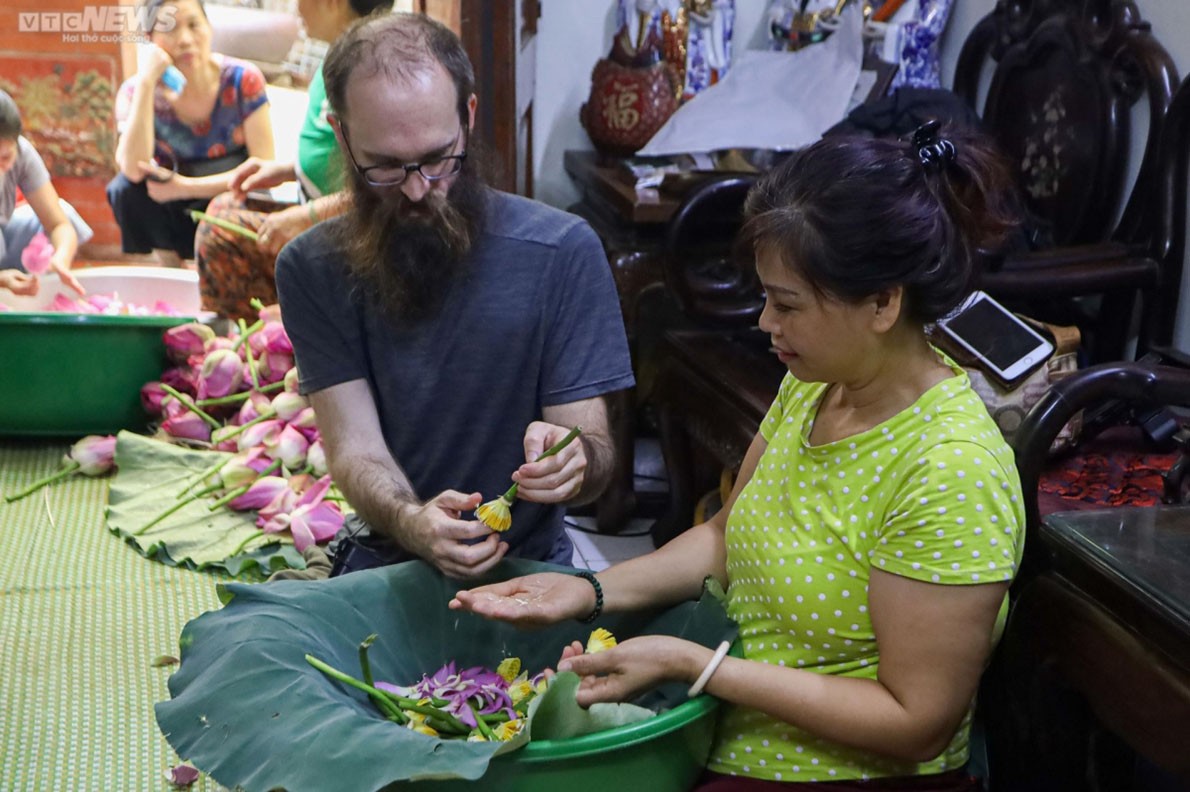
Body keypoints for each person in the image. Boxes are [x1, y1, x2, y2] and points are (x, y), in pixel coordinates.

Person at [452, 125, 1027, 790]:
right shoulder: (819, 384)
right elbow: (726, 534)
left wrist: (695, 665)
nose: (763, 323)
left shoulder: (949, 471)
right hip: (718, 731)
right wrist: (587, 591)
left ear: (882, 302)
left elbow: (916, 718)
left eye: (786, 304)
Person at [274, 12, 635, 581]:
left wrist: (575, 460)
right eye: (387, 166)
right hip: (386, 559)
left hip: (528, 573)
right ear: (342, 137)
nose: (418, 189)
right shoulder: (310, 269)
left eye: (439, 158)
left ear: (468, 117)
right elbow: (355, 449)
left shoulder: (562, 252)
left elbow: (593, 450)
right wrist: (412, 520)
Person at [194, 0, 393, 321]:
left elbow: (386, 188)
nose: (296, 7)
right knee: (224, 208)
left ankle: (279, 339)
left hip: (360, 236)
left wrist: (306, 217)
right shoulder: (340, 55)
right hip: (324, 212)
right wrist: (287, 170)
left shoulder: (369, 71)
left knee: (220, 236)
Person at [107, 0, 274, 267]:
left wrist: (183, 188)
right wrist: (148, 82)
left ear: (209, 28)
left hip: (229, 193)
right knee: (124, 190)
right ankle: (171, 265)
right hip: (172, 204)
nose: (185, 39)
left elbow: (265, 170)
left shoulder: (243, 80)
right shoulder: (135, 91)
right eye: (170, 29)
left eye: (194, 25)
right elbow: (131, 169)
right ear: (151, 40)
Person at [0, 90, 90, 297]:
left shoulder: (23, 153)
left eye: (6, 156)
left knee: (65, 212)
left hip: (6, 234)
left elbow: (59, 224)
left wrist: (61, 259)